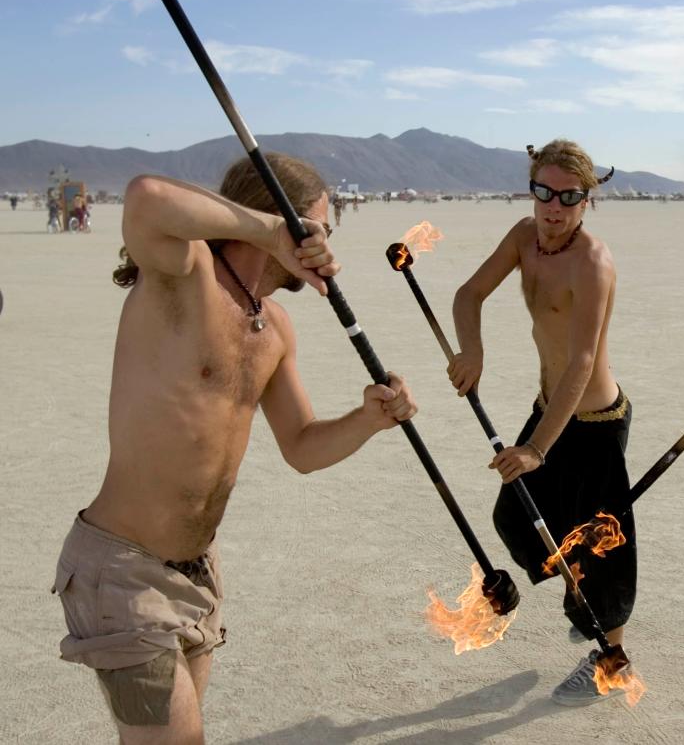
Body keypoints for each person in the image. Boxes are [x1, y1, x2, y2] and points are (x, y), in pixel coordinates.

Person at [51, 153, 417, 743]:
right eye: (317, 227)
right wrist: (269, 229)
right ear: (280, 220)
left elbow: (301, 446)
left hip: (198, 574)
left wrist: (367, 420)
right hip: (123, 572)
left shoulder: (274, 326)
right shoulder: (184, 271)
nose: (326, 244)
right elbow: (145, 195)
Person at [449, 139, 635, 707]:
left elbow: (581, 363)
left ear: (586, 200)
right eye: (544, 193)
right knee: (516, 518)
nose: (554, 207)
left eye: (569, 197)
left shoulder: (593, 262)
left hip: (595, 420)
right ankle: (580, 595)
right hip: (549, 408)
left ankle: (613, 661)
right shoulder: (522, 239)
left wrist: (535, 449)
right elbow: (468, 293)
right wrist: (471, 351)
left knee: (604, 548)